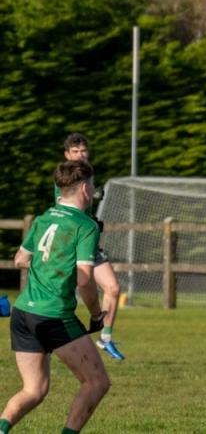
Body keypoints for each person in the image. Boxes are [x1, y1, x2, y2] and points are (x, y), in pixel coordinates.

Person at [1, 160, 110, 434]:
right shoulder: (85, 225)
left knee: (34, 389)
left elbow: (20, 259)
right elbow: (85, 280)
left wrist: (50, 265)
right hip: (53, 316)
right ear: (85, 188)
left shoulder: (44, 218)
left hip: (24, 312)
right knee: (97, 382)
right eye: (93, 185)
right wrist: (97, 314)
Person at [60, 134, 124, 360]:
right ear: (67, 155)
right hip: (69, 243)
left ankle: (105, 339)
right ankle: (45, 341)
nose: (80, 155)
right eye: (75, 152)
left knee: (113, 288)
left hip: (89, 243)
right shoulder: (65, 176)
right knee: (61, 293)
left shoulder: (89, 174)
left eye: (83, 151)